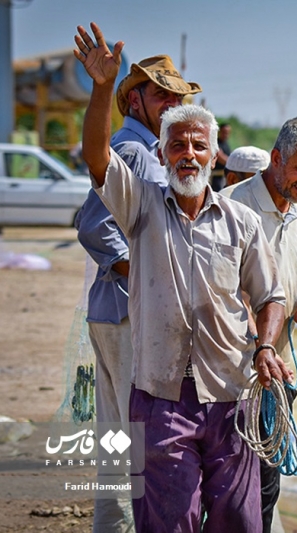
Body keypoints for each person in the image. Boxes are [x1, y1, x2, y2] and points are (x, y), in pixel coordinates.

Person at [74, 22, 292, 532]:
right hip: (159, 396)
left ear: (213, 154)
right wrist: (103, 89)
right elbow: (96, 157)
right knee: (170, 521)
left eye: (198, 146)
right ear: (161, 153)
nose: (187, 155)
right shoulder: (142, 206)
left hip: (231, 395)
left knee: (239, 519)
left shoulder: (242, 222)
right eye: (177, 145)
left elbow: (271, 296)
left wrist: (265, 348)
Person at [74, 53, 201, 533]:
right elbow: (93, 227)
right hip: (128, 314)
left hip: (114, 311)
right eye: (161, 93)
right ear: (134, 100)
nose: (172, 103)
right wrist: (147, 273)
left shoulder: (144, 149)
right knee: (140, 449)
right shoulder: (134, 151)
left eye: (178, 96)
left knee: (117, 445)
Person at [220, 116, 297, 533]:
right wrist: (258, 345)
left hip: (277, 371)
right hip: (230, 375)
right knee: (228, 486)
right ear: (277, 158)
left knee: (267, 487)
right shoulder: (230, 206)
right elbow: (224, 293)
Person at [210, 122, 232, 191]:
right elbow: (220, 157)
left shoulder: (226, 144)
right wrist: (233, 163)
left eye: (227, 133)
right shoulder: (216, 143)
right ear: (220, 132)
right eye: (224, 132)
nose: (226, 135)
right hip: (216, 177)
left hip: (224, 176)